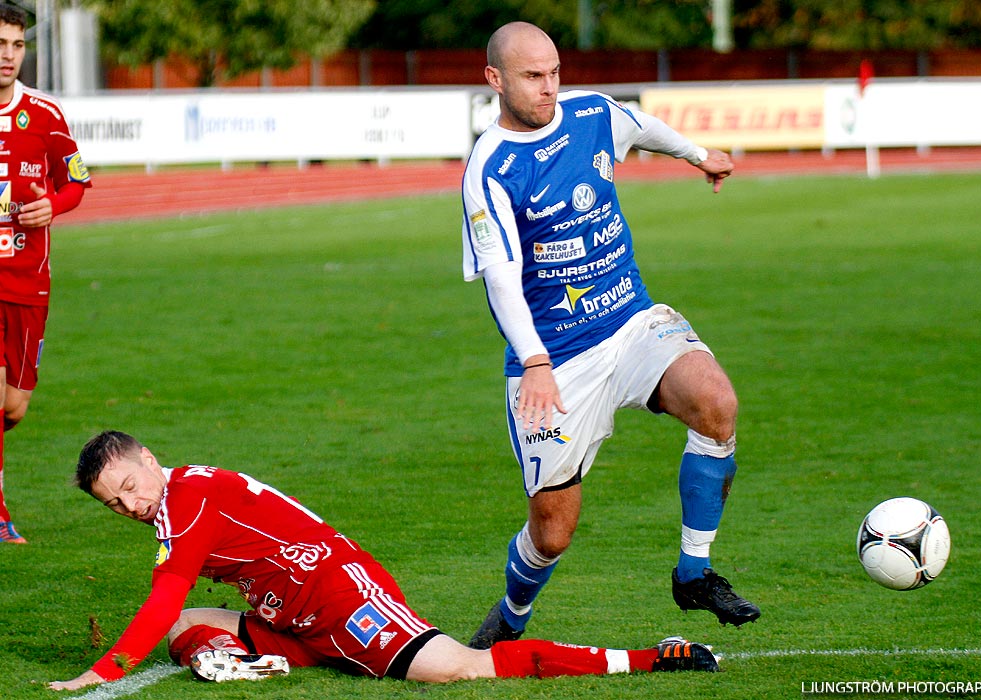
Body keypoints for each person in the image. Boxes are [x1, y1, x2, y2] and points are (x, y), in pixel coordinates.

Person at [459, 22, 760, 649]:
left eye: (555, 72)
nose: (549, 88)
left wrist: (698, 155)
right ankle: (513, 613)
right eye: (533, 77)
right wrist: (535, 361)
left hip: (631, 321)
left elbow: (642, 127)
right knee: (553, 534)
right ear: (495, 80)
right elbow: (502, 280)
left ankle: (694, 574)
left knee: (716, 403)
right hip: (556, 361)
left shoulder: (591, 113)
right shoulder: (489, 169)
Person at [48, 430, 720, 691]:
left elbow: (164, 593)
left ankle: (650, 656)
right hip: (299, 614)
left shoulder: (186, 501)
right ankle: (266, 657)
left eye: (130, 487)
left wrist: (103, 673)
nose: (129, 505)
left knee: (458, 668)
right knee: (188, 626)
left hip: (343, 598)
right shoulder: (181, 496)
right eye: (114, 504)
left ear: (147, 459)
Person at [0, 4, 91, 544]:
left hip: (29, 281)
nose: (5, 55)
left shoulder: (47, 117)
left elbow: (77, 181)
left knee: (13, 406)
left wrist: (52, 206)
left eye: (14, 45)